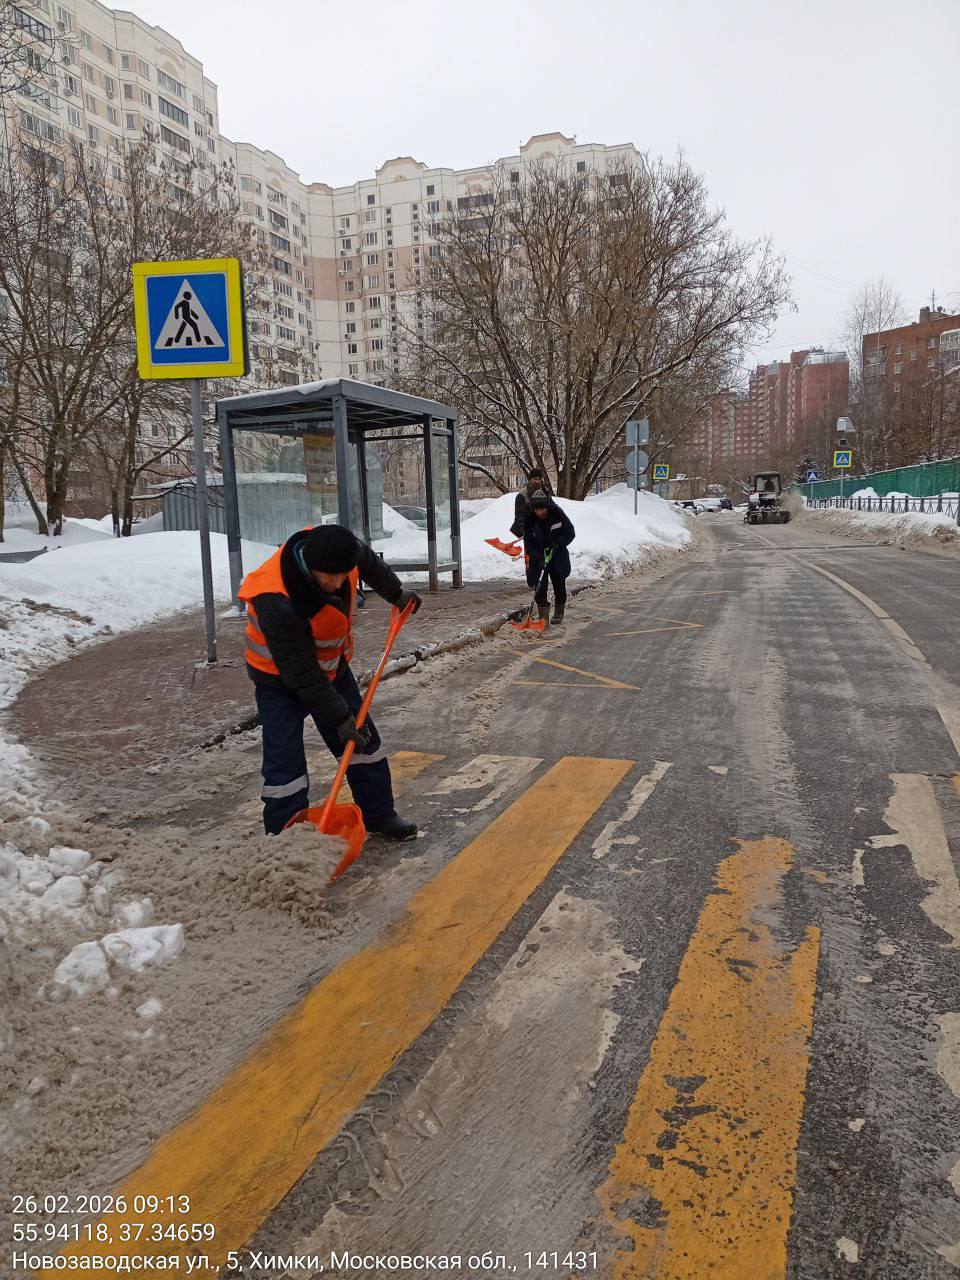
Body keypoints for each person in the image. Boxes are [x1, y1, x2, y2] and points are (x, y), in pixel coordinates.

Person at [238, 524, 422, 839]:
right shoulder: (275, 598)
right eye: (329, 577)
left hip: (332, 671)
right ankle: (285, 840)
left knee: (363, 743)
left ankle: (379, 816)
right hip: (278, 681)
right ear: (311, 565)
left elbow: (368, 563)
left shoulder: (341, 551)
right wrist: (339, 717)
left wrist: (396, 593)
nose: (338, 583)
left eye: (343, 574)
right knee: (285, 765)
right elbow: (300, 673)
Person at [522, 490, 575, 625]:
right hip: (538, 557)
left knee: (559, 584)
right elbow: (528, 543)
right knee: (540, 587)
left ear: (547, 506)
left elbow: (570, 532)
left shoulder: (557, 514)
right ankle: (543, 618)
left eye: (543, 509)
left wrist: (557, 543)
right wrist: (538, 559)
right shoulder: (529, 518)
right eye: (537, 510)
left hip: (557, 555)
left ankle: (558, 612)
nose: (540, 512)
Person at [510, 467, 553, 538]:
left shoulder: (545, 492)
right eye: (535, 479)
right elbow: (520, 517)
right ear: (530, 479)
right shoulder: (522, 495)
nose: (537, 481)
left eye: (539, 479)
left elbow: (551, 509)